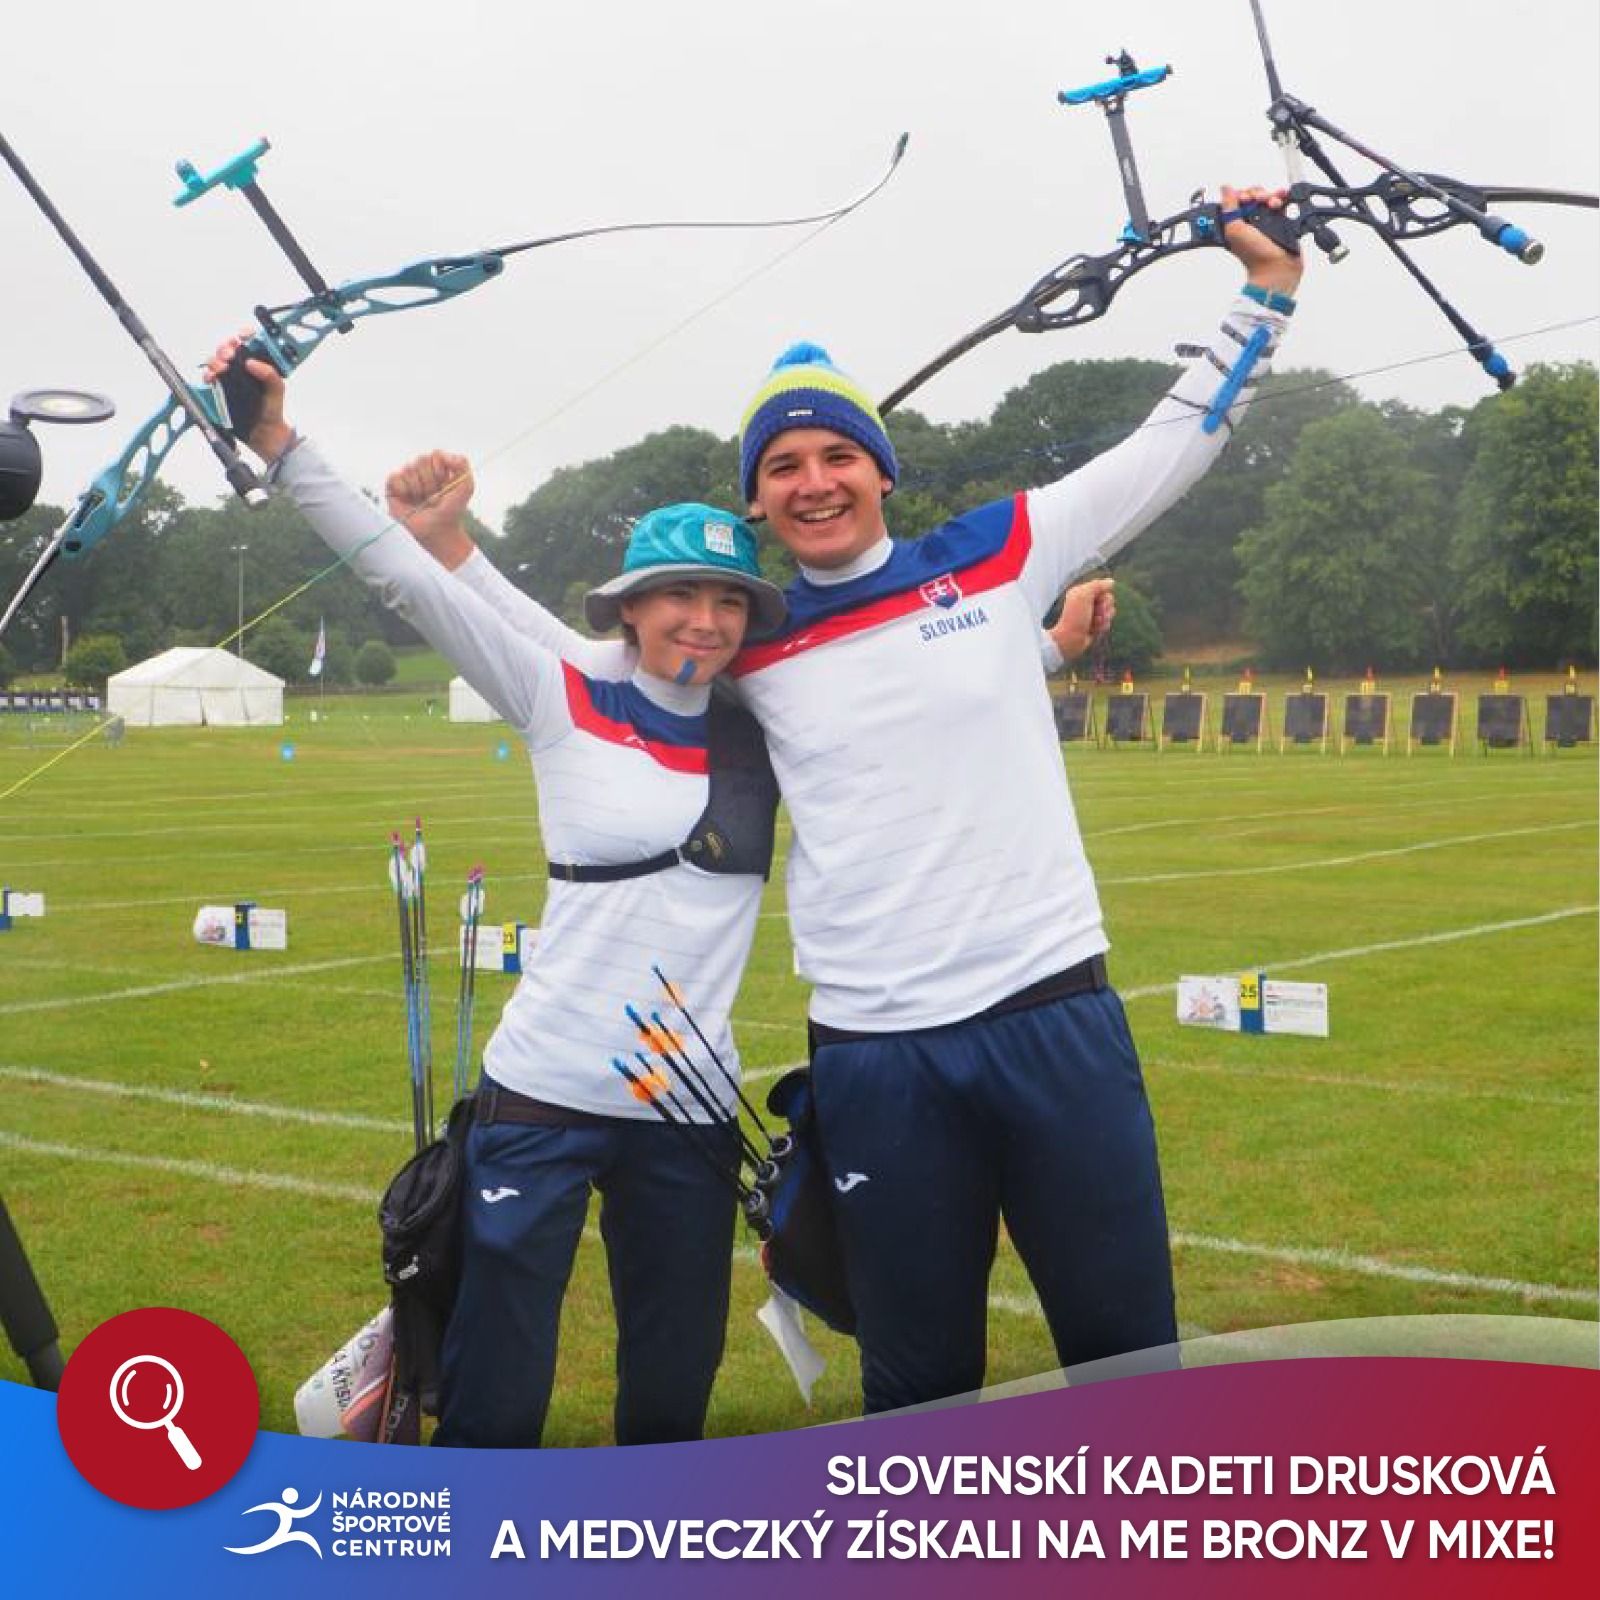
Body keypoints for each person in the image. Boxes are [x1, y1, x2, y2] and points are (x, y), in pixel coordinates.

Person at [421, 184, 1302, 1412]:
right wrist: (453, 550)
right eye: (782, 465)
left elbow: (1166, 446)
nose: (814, 480)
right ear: (758, 499)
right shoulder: (746, 647)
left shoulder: (995, 554)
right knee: (919, 1380)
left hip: (1051, 1012)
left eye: (838, 454)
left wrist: (1265, 294)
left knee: (1122, 1350)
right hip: (878, 1057)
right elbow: (575, 667)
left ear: (881, 470)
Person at [206, 342, 787, 1447]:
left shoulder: (765, 728)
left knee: (674, 1388)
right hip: (543, 1095)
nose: (705, 620)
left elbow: (890, 704)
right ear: (631, 609)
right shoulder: (562, 691)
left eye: (728, 601)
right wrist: (279, 442)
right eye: (679, 595)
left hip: (689, 1112)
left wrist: (1040, 648)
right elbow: (407, 583)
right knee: (494, 1394)